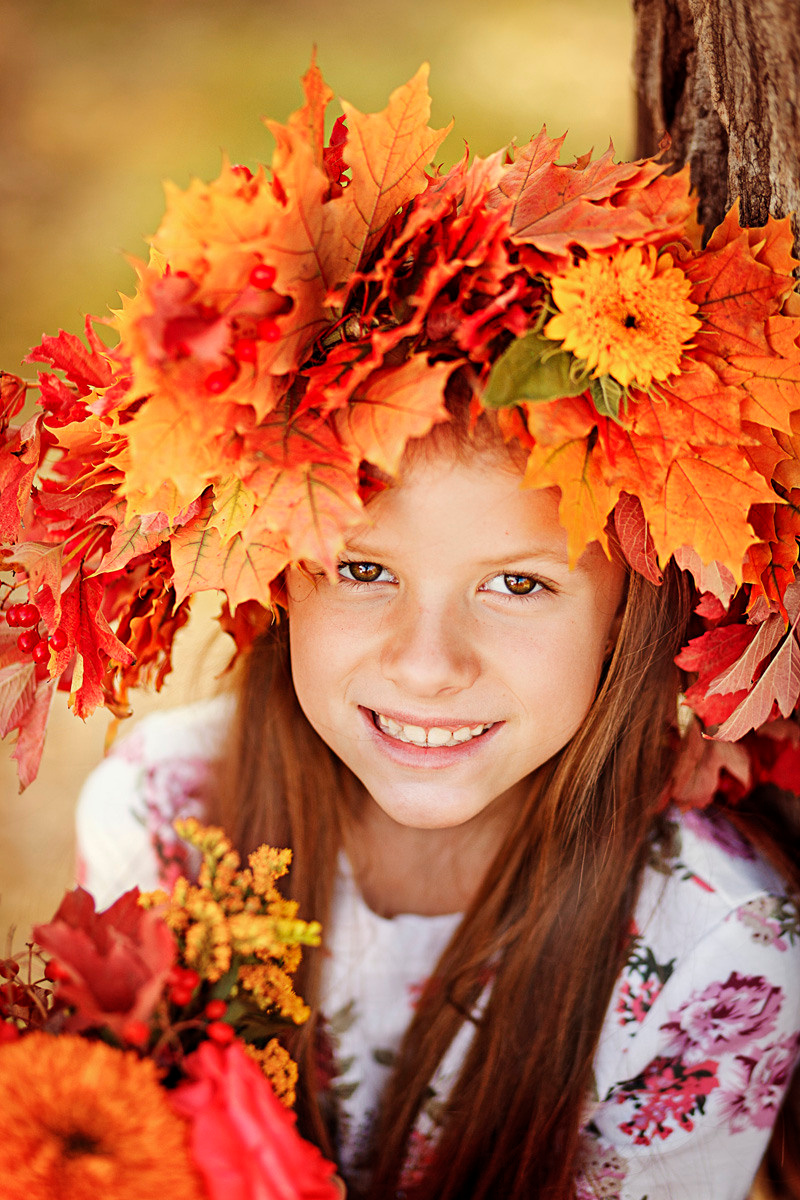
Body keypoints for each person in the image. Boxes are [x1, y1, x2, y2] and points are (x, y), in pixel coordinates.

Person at [6, 64, 800, 1199]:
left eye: (519, 586)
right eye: (364, 569)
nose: (428, 665)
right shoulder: (165, 818)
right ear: (278, 579)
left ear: (634, 612)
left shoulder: (713, 945)